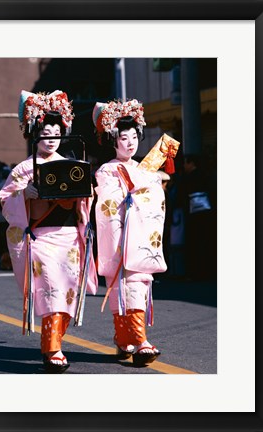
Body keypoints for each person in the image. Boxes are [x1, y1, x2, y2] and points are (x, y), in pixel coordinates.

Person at [0, 90, 97, 373]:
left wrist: (87, 191)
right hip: (42, 239)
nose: (52, 136)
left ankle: (53, 341)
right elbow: (5, 200)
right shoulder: (23, 169)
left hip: (69, 239)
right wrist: (24, 195)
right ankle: (52, 349)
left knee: (67, 291)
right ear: (34, 133)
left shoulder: (72, 165)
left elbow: (83, 204)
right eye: (45, 131)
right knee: (52, 289)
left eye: (56, 131)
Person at [92, 99, 168, 367]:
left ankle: (124, 339)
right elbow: (108, 206)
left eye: (134, 136)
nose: (130, 142)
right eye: (124, 137)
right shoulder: (106, 170)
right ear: (112, 140)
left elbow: (153, 201)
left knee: (138, 286)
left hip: (141, 237)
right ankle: (140, 342)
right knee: (127, 288)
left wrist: (153, 187)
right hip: (122, 238)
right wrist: (141, 189)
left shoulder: (142, 168)